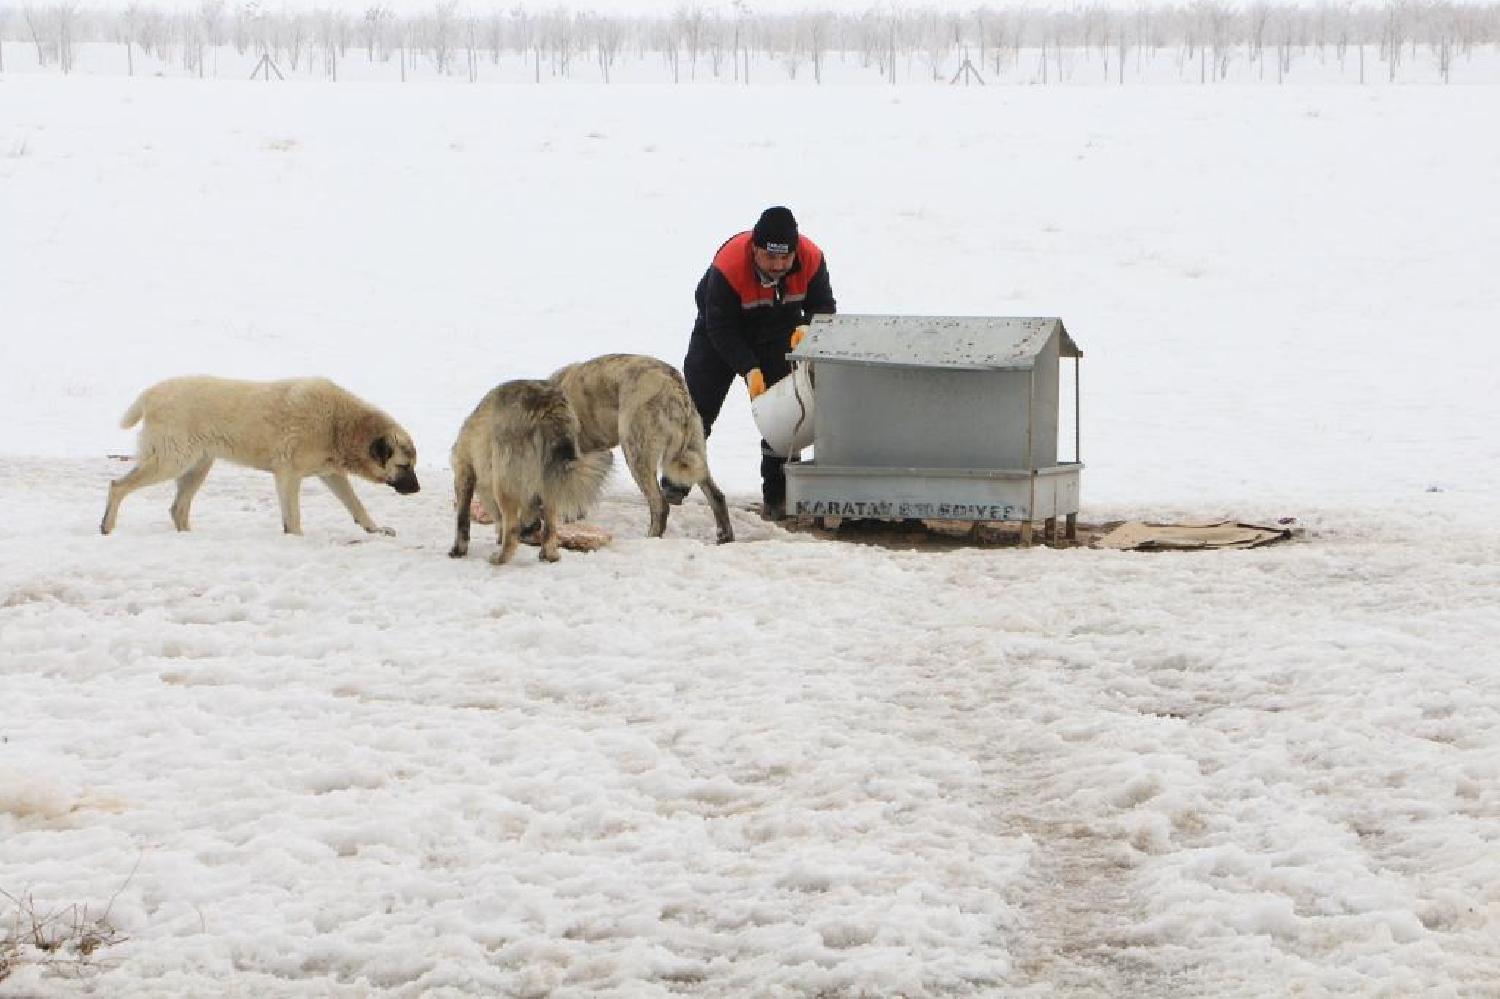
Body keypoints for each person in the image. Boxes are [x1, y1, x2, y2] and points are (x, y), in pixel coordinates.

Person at [670, 206, 836, 520]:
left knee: (787, 417)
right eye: (771, 257)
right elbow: (721, 327)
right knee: (697, 412)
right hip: (719, 333)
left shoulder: (812, 258)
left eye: (786, 258)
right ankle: (673, 489)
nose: (779, 265)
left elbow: (824, 307)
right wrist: (749, 368)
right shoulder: (730, 264)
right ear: (755, 250)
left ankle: (778, 497)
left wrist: (808, 329)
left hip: (778, 331)